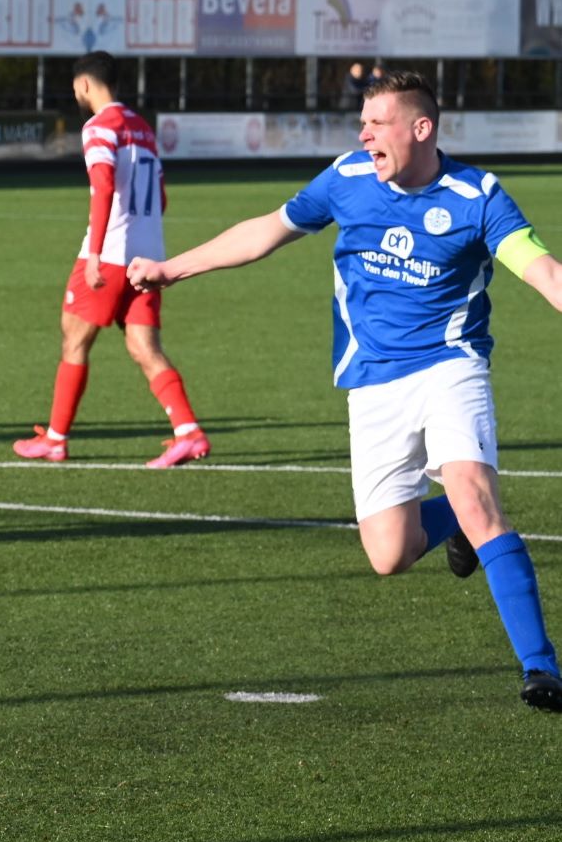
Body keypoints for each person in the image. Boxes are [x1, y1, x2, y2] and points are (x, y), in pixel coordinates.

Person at [128, 70, 562, 709]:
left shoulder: (478, 195)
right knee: (390, 552)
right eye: (362, 123)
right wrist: (173, 268)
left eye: (377, 123)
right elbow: (266, 231)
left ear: (421, 128)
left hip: (450, 366)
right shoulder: (348, 179)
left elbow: (542, 269)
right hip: (373, 383)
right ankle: (461, 526)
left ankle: (541, 668)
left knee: (472, 492)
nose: (364, 134)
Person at [13, 51, 208, 468]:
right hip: (149, 255)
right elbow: (163, 196)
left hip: (112, 255)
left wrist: (95, 255)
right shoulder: (143, 129)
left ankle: (56, 438)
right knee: (143, 346)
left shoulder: (99, 127)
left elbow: (102, 187)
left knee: (74, 339)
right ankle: (188, 432)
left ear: (84, 85)